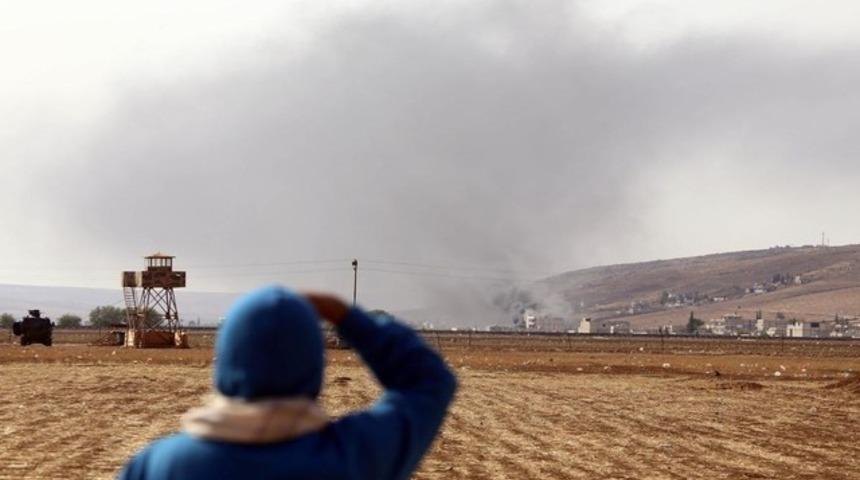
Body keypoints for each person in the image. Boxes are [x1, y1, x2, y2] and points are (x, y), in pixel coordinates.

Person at [119, 285, 457, 480]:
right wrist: (348, 317)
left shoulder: (158, 464)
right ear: (312, 365)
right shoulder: (352, 457)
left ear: (226, 361)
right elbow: (428, 382)